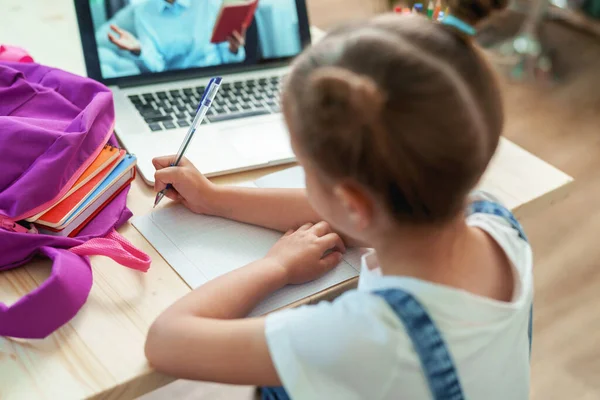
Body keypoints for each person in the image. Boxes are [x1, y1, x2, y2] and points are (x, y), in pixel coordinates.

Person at [144, 1, 533, 399]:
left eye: (307, 169)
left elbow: (165, 340)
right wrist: (215, 198)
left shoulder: (369, 338)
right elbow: (355, 214)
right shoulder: (491, 219)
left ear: (353, 204)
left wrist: (275, 267)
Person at [95, 0, 246, 77]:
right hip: (176, 83)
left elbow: (229, 58)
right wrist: (138, 49)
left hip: (216, 78)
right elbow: (157, 66)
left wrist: (234, 49)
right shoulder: (143, 12)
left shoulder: (208, 3)